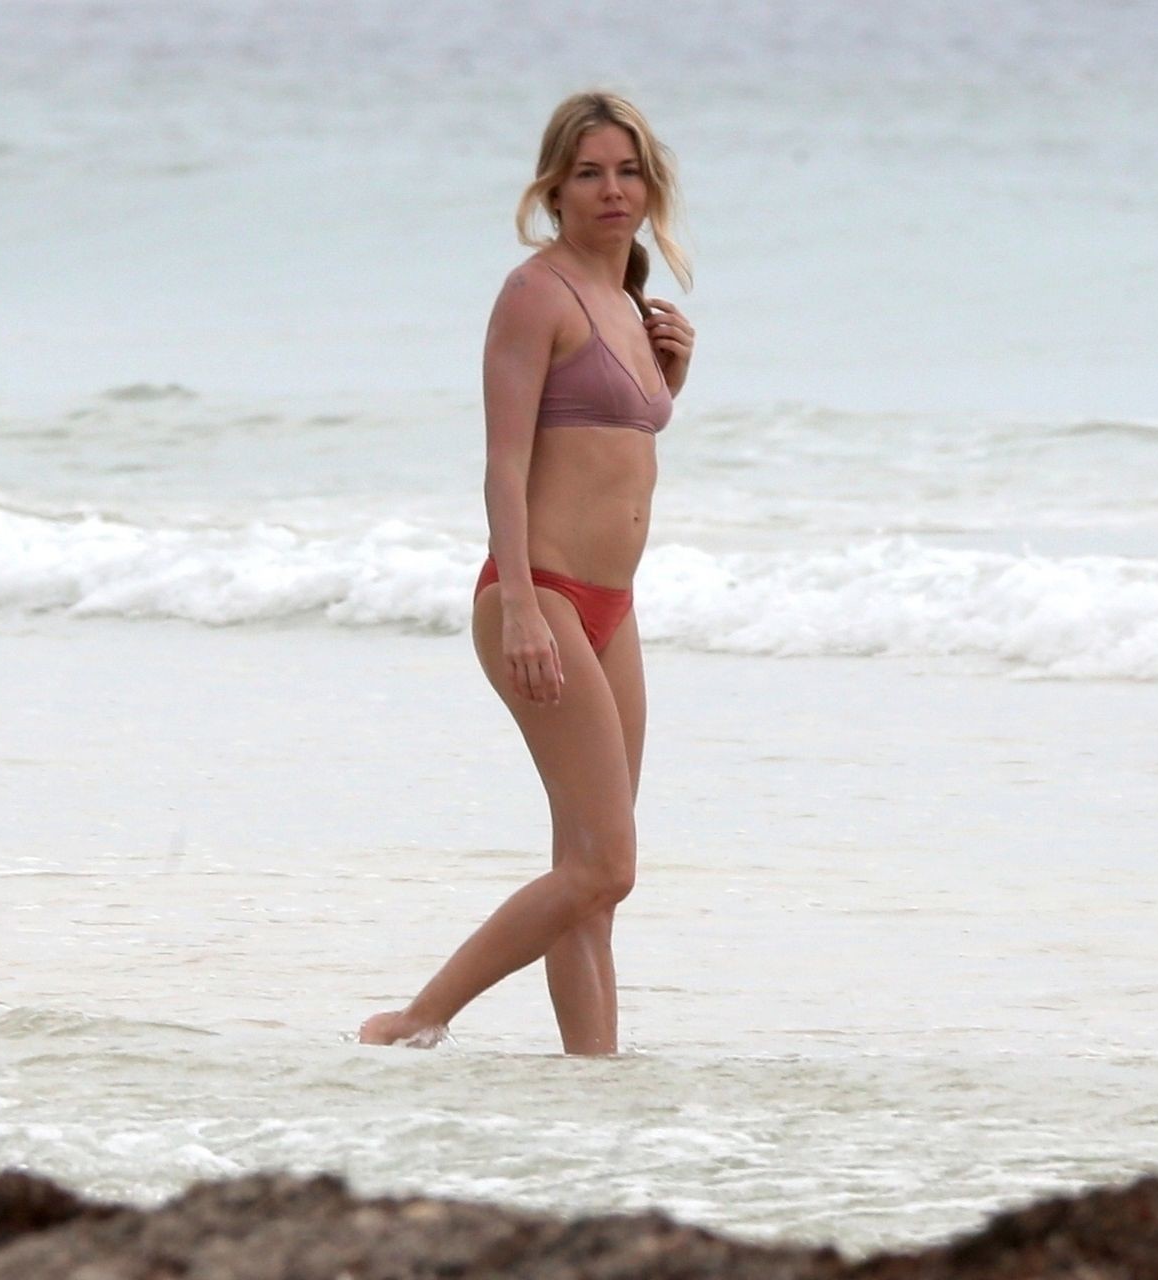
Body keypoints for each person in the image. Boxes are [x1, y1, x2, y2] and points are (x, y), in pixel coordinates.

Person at [358, 90, 696, 1055]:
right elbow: (505, 466)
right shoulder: (535, 294)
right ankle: (415, 1019)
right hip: (540, 595)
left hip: (612, 608)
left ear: (650, 185)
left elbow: (614, 445)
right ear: (553, 189)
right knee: (605, 865)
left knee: (591, 879)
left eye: (627, 171)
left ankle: (595, 1079)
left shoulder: (629, 304)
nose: (612, 190)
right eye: (589, 174)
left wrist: (671, 379)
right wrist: (518, 610)